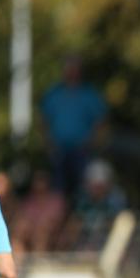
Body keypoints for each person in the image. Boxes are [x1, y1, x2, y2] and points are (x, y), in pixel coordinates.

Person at [39, 55, 107, 198]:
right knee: (58, 190)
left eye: (74, 68)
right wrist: (48, 145)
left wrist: (92, 143)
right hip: (58, 151)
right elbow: (43, 122)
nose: (71, 72)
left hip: (82, 151)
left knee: (83, 189)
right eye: (68, 68)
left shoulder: (89, 94)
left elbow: (101, 123)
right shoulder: (54, 94)